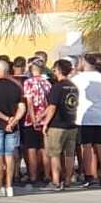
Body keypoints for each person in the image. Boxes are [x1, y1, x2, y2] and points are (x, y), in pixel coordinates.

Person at [73, 54, 101, 188]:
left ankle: (89, 176)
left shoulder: (77, 79)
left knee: (86, 147)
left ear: (84, 62)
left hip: (84, 117)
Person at [0, 60, 26, 196]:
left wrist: (6, 118)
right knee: (9, 155)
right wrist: (14, 120)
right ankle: (9, 187)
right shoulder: (16, 86)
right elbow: (22, 107)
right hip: (12, 126)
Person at [41, 59, 79, 191]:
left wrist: (45, 123)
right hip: (72, 123)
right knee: (69, 154)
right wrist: (42, 114)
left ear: (58, 70)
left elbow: (52, 106)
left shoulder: (57, 87)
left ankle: (56, 181)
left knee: (54, 154)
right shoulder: (73, 86)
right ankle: (68, 180)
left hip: (57, 125)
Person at [21, 60, 51, 188]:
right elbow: (50, 102)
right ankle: (47, 175)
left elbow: (29, 102)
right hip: (45, 118)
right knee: (44, 148)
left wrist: (33, 118)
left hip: (30, 119)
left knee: (31, 148)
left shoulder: (28, 82)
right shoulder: (47, 83)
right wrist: (42, 115)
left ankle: (33, 176)